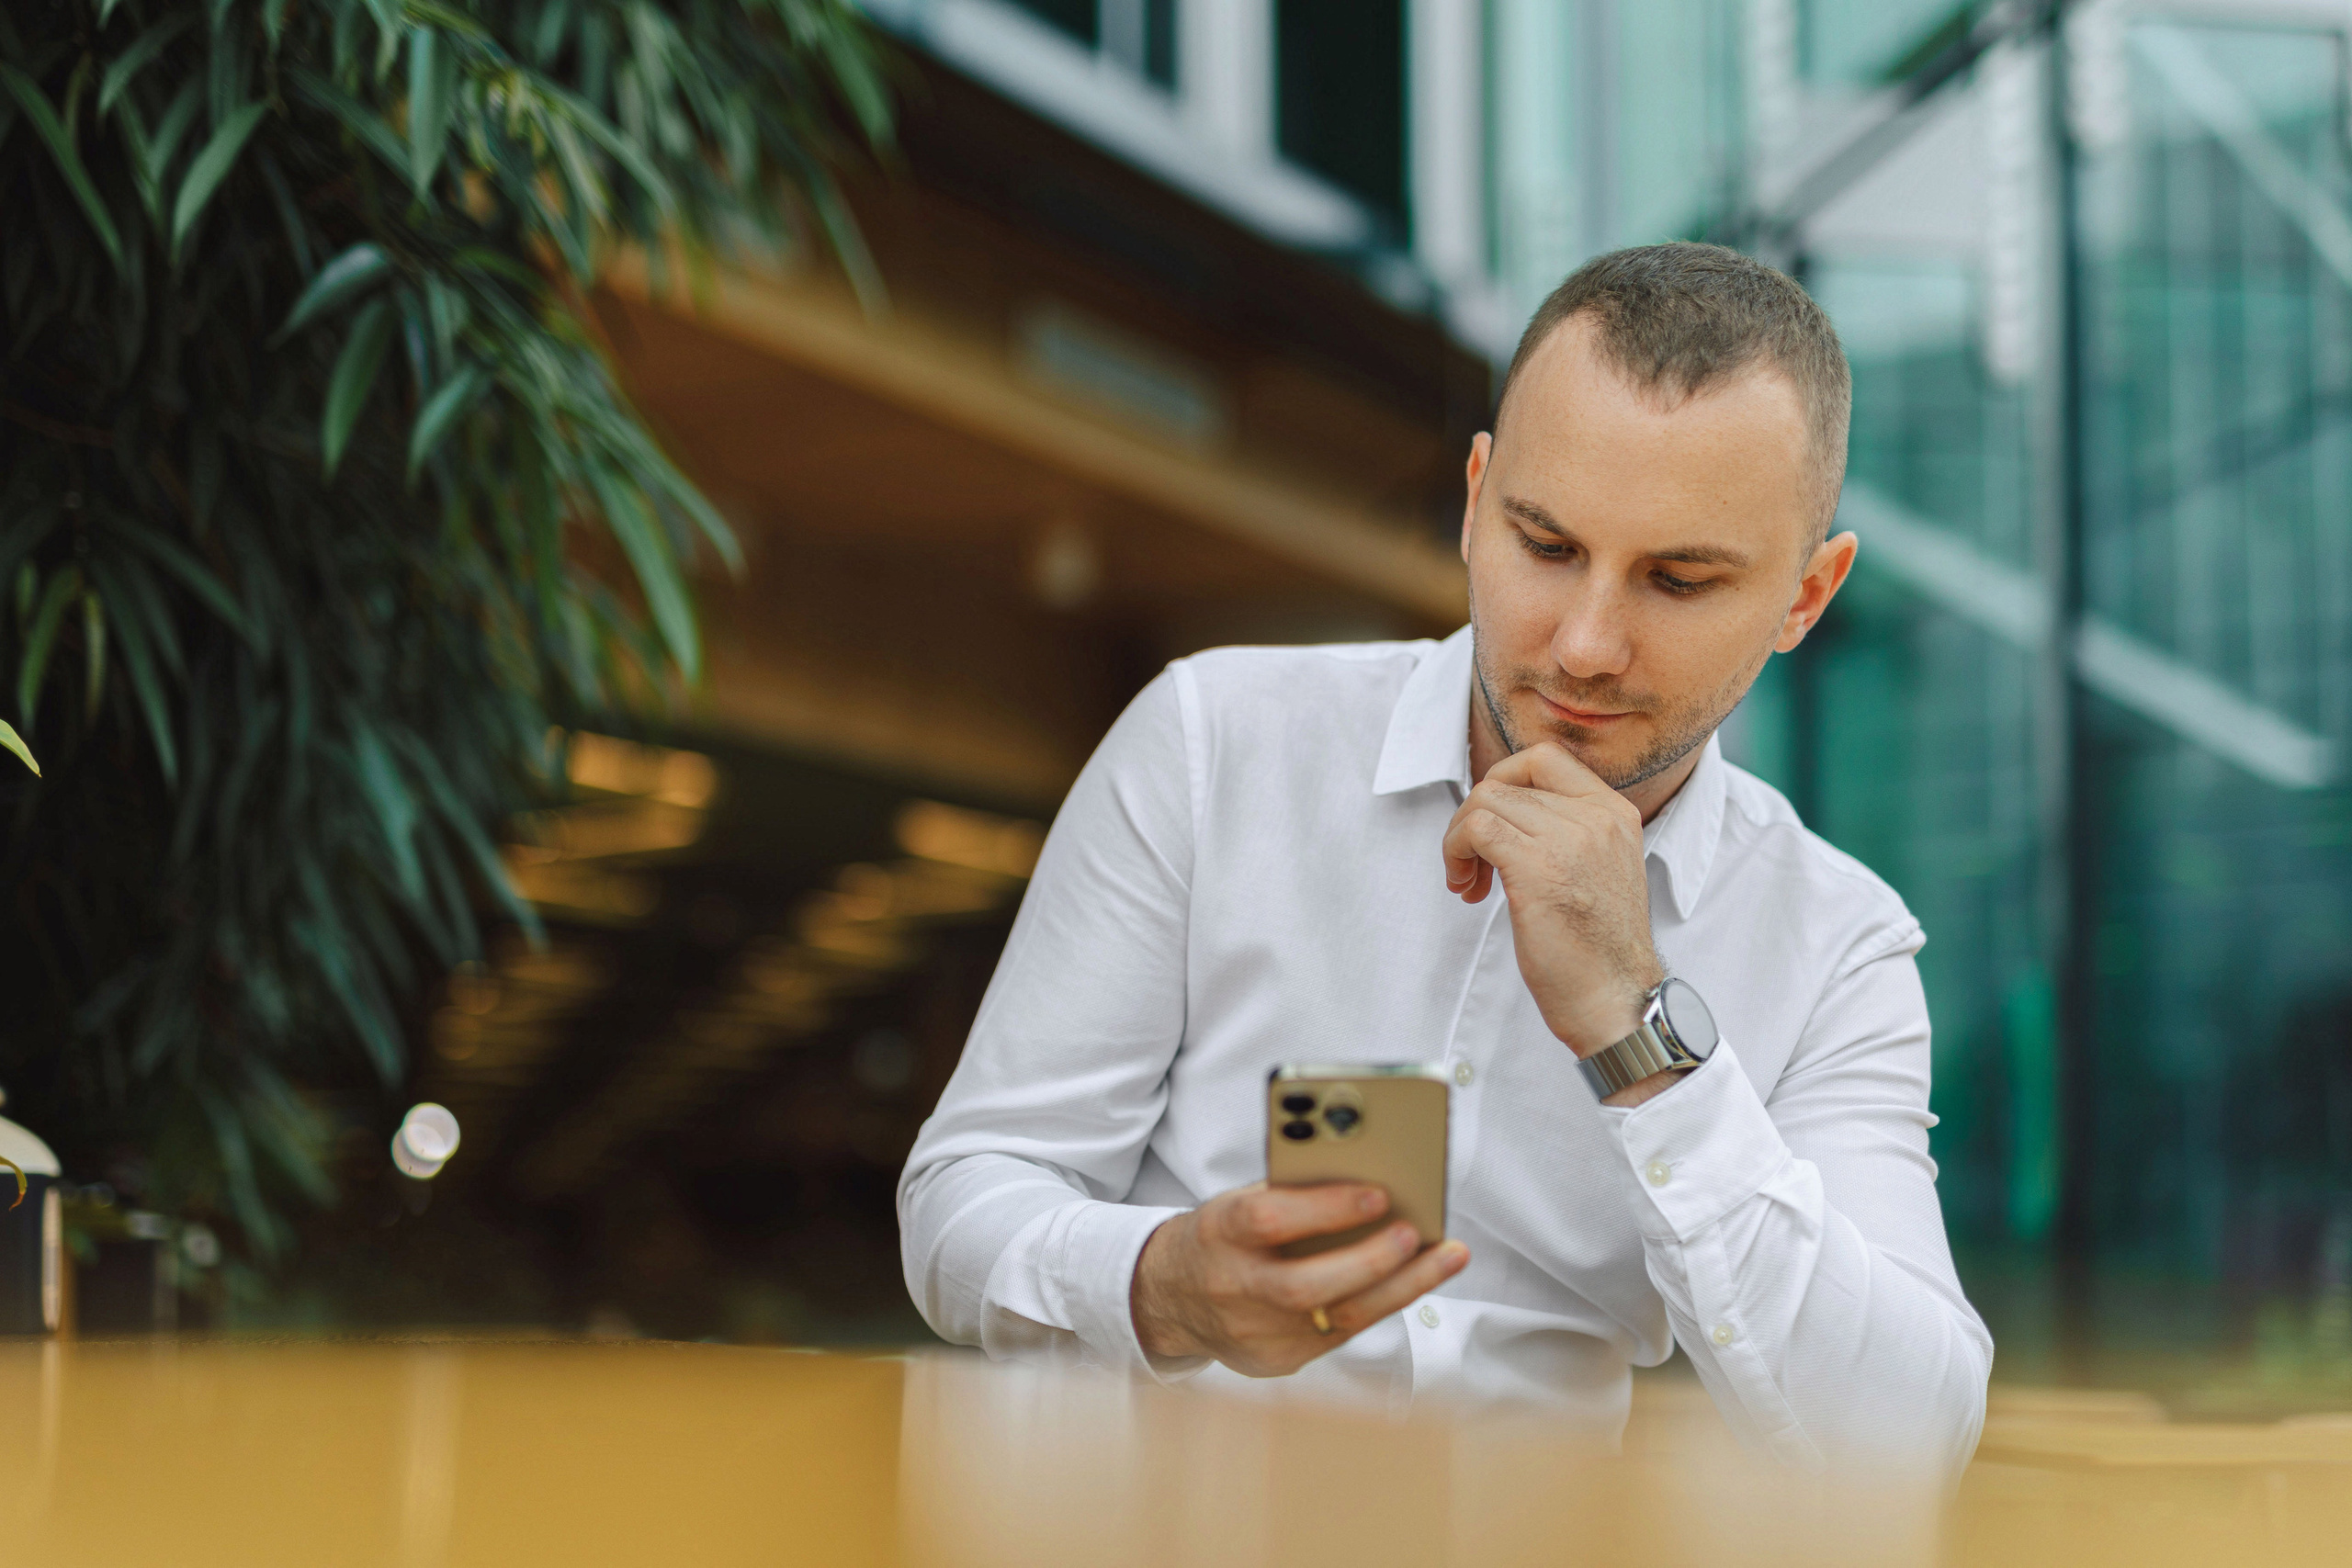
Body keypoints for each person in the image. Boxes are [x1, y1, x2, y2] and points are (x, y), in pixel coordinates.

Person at [899, 243, 1992, 1476]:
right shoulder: (1214, 745)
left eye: (1678, 581)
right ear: (1476, 501)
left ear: (1806, 596)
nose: (1584, 644)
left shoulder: (1835, 942)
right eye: (1544, 544)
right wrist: (1163, 1285)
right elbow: (963, 1200)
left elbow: (1912, 1441)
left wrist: (1639, 1036)